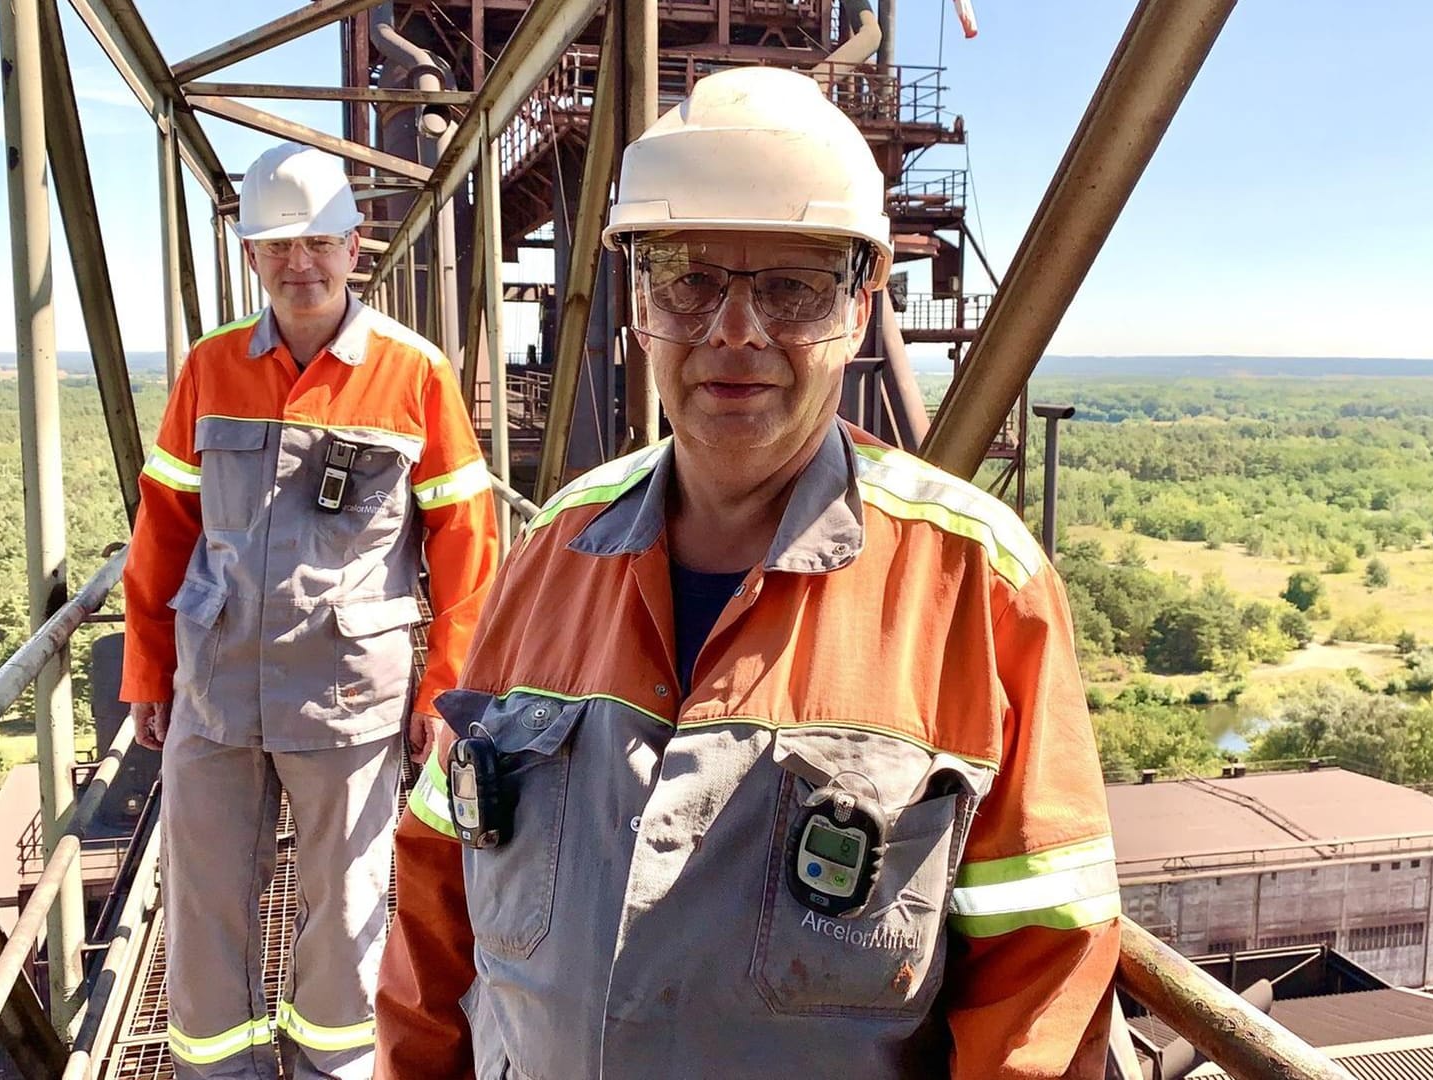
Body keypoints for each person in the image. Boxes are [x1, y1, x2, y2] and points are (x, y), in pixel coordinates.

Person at [374, 68, 1119, 1079]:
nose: (734, 331)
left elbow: (1043, 982)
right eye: (687, 276)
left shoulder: (978, 589)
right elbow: (434, 898)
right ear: (637, 301)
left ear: (860, 307)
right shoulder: (550, 553)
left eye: (792, 286)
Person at [120, 142, 498, 1080]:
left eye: (319, 243)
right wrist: (146, 670)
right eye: (278, 245)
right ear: (250, 254)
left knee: (346, 912)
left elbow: (468, 550)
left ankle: (334, 1071)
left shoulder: (413, 374)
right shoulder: (211, 369)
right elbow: (163, 527)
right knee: (203, 909)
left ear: (355, 246)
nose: (300, 264)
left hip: (345, 697)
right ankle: (221, 1072)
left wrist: (447, 699)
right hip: (213, 694)